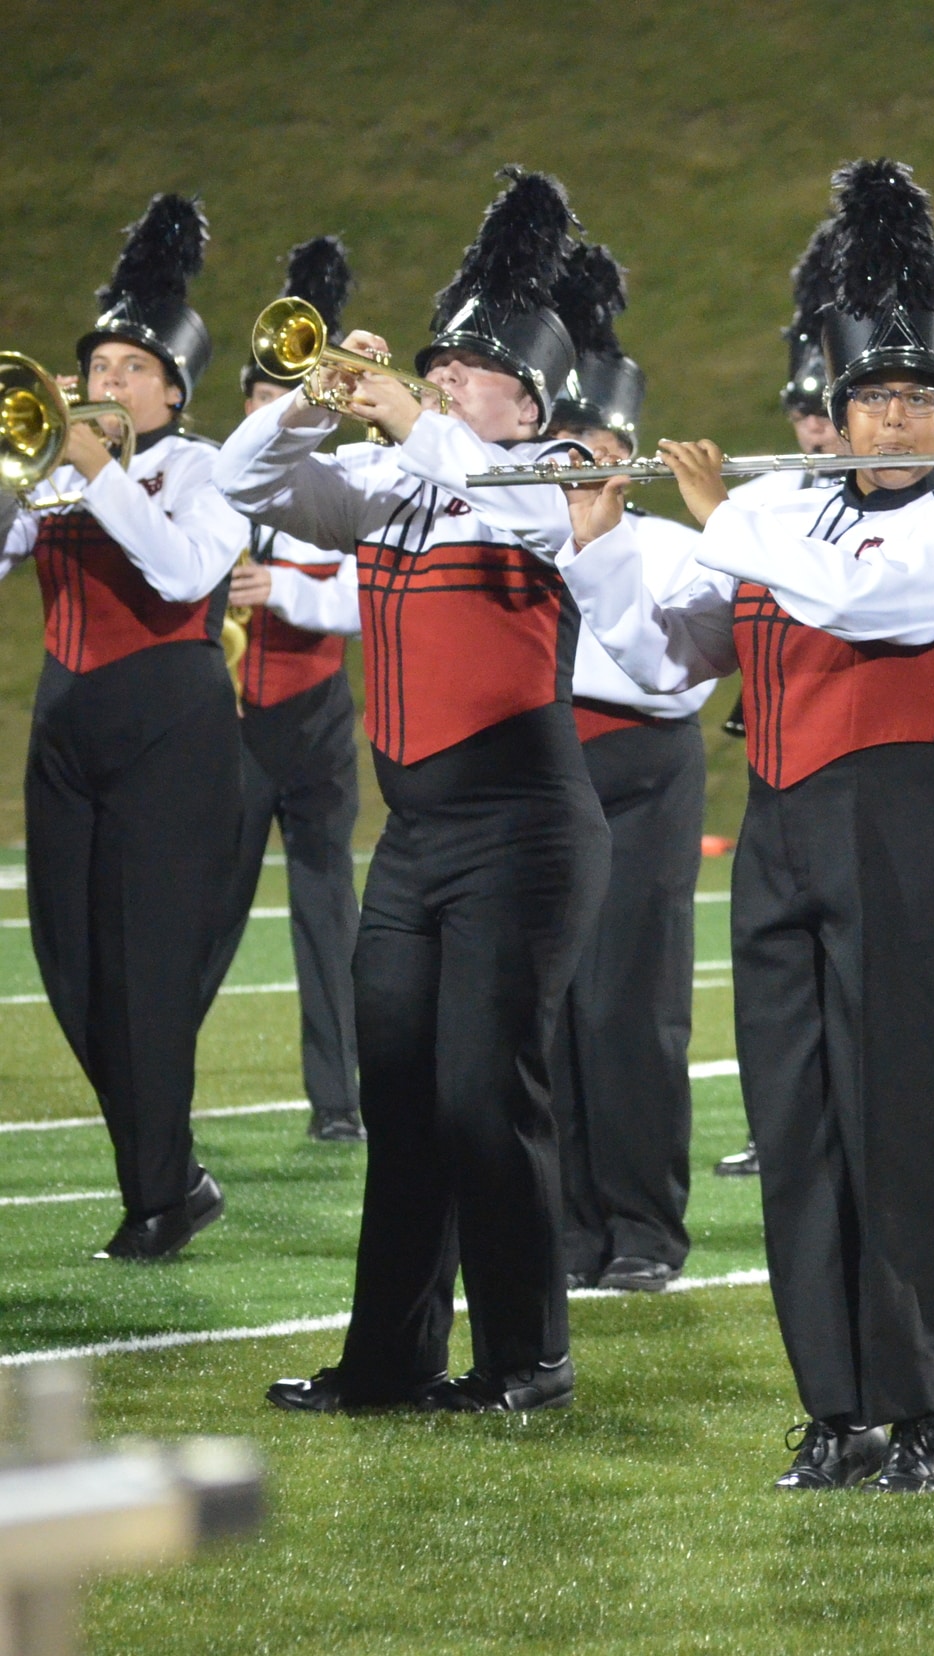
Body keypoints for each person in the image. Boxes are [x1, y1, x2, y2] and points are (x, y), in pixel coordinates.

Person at [561, 159, 934, 1492]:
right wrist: (601, 544)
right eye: (873, 396)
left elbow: (861, 605)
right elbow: (677, 661)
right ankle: (833, 1409)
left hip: (905, 839)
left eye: (918, 399)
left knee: (905, 1130)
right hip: (776, 834)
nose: (894, 416)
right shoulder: (784, 515)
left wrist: (726, 520)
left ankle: (919, 1408)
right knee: (798, 1136)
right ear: (835, 408)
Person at [227, 168, 609, 1414]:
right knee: (399, 1097)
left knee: (484, 1093)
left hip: (525, 824)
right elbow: (251, 491)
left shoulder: (552, 474)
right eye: (437, 363)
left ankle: (527, 1360)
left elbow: (532, 527)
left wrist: (407, 411)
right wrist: (297, 404)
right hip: (418, 833)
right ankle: (388, 1364)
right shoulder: (399, 481)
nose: (445, 379)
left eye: (469, 368)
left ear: (530, 396)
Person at [0, 193, 246, 1260]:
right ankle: (170, 1162)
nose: (105, 384)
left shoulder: (207, 467)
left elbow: (186, 570)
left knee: (146, 971)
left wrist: (98, 470)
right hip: (66, 725)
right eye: (97, 367)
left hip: (170, 726)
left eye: (130, 370)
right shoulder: (52, 467)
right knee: (71, 970)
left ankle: (157, 1198)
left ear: (174, 389)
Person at [536, 241, 718, 1292]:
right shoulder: (509, 535)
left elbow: (673, 683)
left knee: (632, 1007)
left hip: (642, 769)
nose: (573, 457)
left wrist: (594, 551)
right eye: (558, 439)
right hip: (545, 768)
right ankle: (563, 1227)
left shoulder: (672, 545)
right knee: (546, 1004)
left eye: (592, 439)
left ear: (630, 447)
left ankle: (645, 1229)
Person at [710, 204, 858, 1181]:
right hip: (775, 773)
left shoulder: (919, 517)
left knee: (862, 993)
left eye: (824, 415)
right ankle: (781, 1128)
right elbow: (665, 649)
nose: (809, 431)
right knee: (774, 987)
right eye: (801, 415)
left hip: (865, 780)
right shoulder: (763, 505)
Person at [207, 234, 366, 1144]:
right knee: (207, 904)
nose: (271, 410)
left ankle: (338, 1103)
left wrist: (288, 590)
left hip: (310, 721)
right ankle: (160, 1079)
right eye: (261, 398)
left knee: (325, 909)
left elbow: (361, 599)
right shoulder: (212, 483)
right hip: (226, 724)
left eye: (286, 397)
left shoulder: (340, 483)